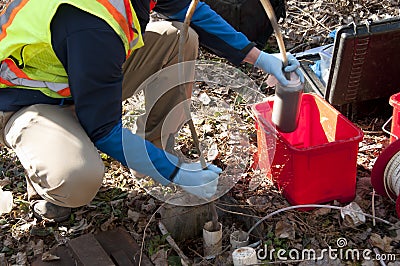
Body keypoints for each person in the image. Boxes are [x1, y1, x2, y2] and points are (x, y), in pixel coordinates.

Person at [0, 0, 303, 222]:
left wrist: (260, 57)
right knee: (77, 176)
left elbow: (191, 12)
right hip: (27, 99)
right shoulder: (90, 22)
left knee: (179, 38)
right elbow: (103, 130)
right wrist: (177, 173)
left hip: (81, 74)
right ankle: (52, 183)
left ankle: (154, 152)